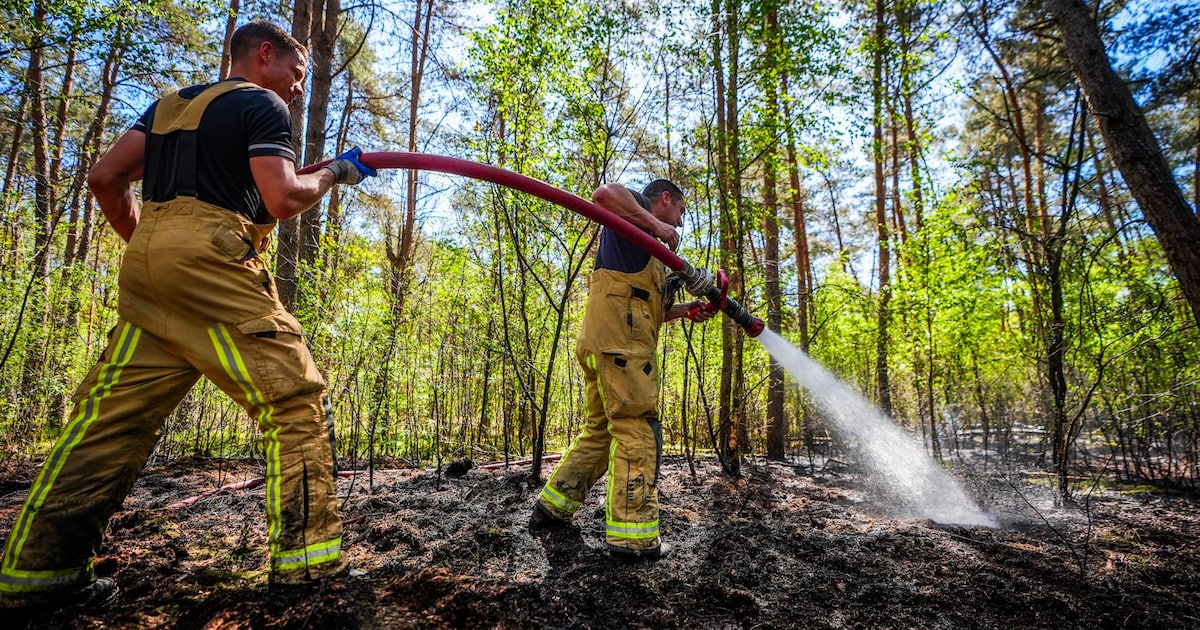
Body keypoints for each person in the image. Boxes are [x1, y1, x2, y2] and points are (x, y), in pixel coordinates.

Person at [0, 20, 376, 609]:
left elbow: (104, 178)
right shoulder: (261, 104)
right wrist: (334, 173)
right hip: (214, 260)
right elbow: (281, 198)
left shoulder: (168, 106)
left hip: (149, 268)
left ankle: (37, 576)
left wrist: (149, 248)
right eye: (297, 73)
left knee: (106, 423)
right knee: (295, 399)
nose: (299, 88)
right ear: (265, 55)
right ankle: (309, 571)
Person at [530, 180, 715, 560]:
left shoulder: (642, 244)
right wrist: (659, 227)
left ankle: (552, 507)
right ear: (665, 199)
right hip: (622, 351)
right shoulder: (633, 210)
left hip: (605, 347)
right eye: (679, 213)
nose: (678, 225)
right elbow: (602, 194)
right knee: (637, 433)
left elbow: (650, 309)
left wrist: (686, 311)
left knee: (600, 431)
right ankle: (633, 539)